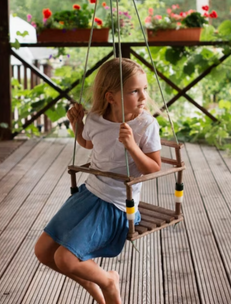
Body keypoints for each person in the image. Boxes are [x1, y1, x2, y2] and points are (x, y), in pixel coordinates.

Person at [34, 58, 162, 304]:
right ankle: (97, 291)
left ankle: (109, 282)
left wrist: (133, 147)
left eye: (144, 89)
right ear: (111, 97)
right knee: (43, 252)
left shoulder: (146, 124)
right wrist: (76, 125)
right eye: (135, 91)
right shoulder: (95, 119)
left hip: (117, 205)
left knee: (65, 258)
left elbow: (154, 168)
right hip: (89, 194)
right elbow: (89, 143)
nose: (143, 96)